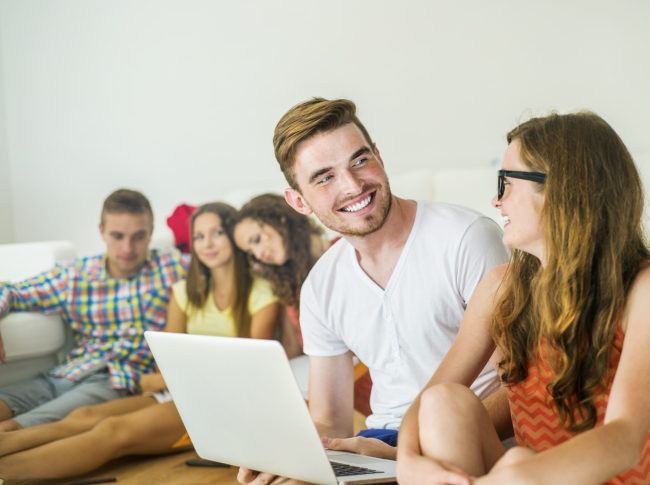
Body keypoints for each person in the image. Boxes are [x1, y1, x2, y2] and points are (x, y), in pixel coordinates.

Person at [395, 112, 650, 485]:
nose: (495, 200)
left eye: (506, 183)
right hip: (524, 477)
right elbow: (427, 398)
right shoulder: (502, 287)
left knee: (517, 461)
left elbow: (625, 439)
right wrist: (405, 458)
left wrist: (522, 476)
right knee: (443, 404)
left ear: (562, 189)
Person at [238, 98, 510, 485]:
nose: (353, 185)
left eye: (360, 160)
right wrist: (293, 455)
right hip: (375, 443)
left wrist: (405, 453)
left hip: (467, 437)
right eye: (324, 177)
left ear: (379, 156)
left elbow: (520, 391)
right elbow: (329, 419)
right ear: (299, 201)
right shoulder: (321, 285)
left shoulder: (467, 238)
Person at [0, 202, 282, 481]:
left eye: (217, 233)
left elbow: (251, 370)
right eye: (198, 236)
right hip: (170, 388)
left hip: (216, 398)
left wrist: (165, 379)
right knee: (84, 416)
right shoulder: (186, 291)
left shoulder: (258, 291)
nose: (207, 243)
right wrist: (164, 379)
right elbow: (165, 364)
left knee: (110, 430)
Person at [0, 189, 188, 431]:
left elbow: (224, 266)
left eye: (138, 236)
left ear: (151, 232)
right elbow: (11, 290)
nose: (128, 247)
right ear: (102, 232)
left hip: (117, 381)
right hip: (64, 374)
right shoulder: (76, 274)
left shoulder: (173, 265)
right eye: (117, 236)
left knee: (12, 430)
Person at [232, 192, 329, 350]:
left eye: (256, 240)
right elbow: (292, 345)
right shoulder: (287, 280)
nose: (258, 254)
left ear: (279, 219)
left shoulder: (345, 254)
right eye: (251, 252)